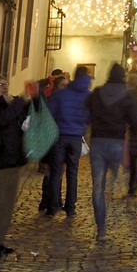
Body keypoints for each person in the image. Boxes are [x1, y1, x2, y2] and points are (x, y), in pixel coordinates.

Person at [0, 76, 33, 257]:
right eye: (0, 85)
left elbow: (22, 120)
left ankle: (0, 241)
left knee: (8, 205)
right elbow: (0, 121)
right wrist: (16, 105)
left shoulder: (7, 104)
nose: (4, 88)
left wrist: (22, 104)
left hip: (13, 160)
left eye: (6, 84)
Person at [85, 63, 137, 241]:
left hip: (98, 142)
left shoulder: (97, 93)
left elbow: (86, 111)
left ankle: (101, 229)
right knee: (114, 184)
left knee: (98, 187)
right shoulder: (127, 96)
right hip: (117, 143)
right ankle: (115, 214)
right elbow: (135, 122)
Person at [46, 65, 93, 218]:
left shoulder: (61, 94)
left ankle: (52, 206)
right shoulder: (88, 96)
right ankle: (70, 207)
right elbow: (90, 118)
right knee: (72, 173)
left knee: (56, 172)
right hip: (76, 138)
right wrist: (82, 125)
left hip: (60, 136)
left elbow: (50, 113)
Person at [36, 68, 67, 214]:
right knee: (52, 171)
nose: (65, 89)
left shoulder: (49, 97)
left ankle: (52, 200)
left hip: (55, 138)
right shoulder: (51, 99)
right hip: (52, 138)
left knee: (56, 171)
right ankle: (48, 200)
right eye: (63, 86)